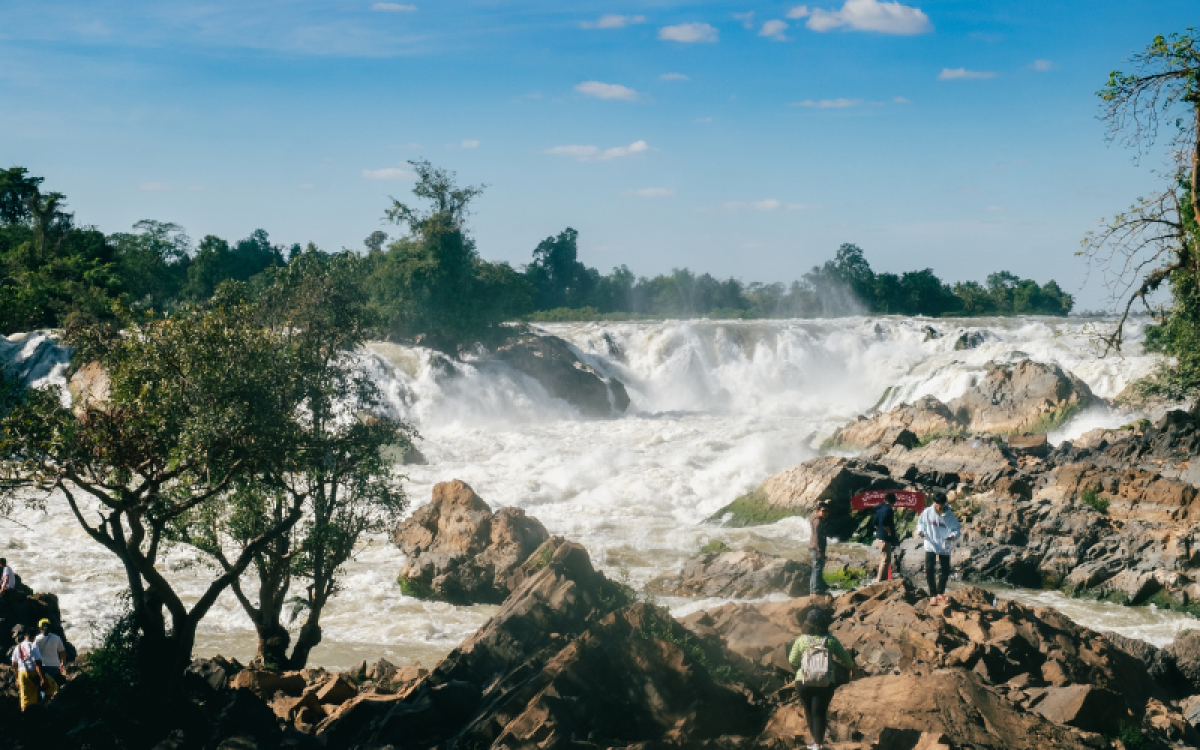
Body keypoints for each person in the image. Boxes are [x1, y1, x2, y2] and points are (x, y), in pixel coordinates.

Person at [788, 608, 858, 750]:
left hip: (803, 681)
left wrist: (798, 668)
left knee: (808, 710)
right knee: (819, 712)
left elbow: (792, 660)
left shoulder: (801, 640)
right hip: (825, 682)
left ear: (807, 623)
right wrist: (852, 668)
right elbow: (845, 657)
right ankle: (818, 744)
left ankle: (815, 741)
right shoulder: (830, 640)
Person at [916, 495, 961, 604]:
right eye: (937, 504)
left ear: (945, 503)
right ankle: (932, 594)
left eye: (941, 504)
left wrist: (952, 536)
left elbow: (957, 529)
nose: (939, 506)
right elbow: (921, 524)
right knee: (930, 568)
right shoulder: (927, 512)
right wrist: (920, 531)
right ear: (934, 502)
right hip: (931, 543)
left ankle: (940, 592)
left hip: (944, 544)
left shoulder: (950, 515)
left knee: (945, 570)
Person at [12, 624, 57, 711]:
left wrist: (17, 678)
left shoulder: (18, 647)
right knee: (53, 688)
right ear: (34, 637)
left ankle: (24, 717)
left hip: (22, 674)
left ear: (25, 636)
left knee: (25, 700)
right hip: (33, 672)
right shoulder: (33, 646)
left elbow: (14, 664)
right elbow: (37, 664)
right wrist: (43, 678)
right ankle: (47, 707)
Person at [873, 493, 899, 583]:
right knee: (885, 560)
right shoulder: (888, 509)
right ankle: (879, 580)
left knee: (884, 559)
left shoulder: (879, 509)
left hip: (879, 537)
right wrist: (888, 532)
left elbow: (875, 523)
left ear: (885, 500)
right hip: (885, 539)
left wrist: (880, 531)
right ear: (894, 502)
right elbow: (884, 522)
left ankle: (882, 579)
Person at [35, 618, 67, 688]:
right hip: (55, 665)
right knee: (55, 686)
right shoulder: (57, 638)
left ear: (40, 628)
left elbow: (33, 653)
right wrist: (62, 664)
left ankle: (45, 698)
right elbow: (63, 652)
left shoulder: (37, 639)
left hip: (43, 666)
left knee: (45, 687)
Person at [809, 502, 830, 595]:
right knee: (817, 568)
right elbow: (817, 536)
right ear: (818, 511)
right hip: (816, 548)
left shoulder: (818, 520)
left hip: (815, 547)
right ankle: (815, 590)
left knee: (817, 567)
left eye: (827, 511)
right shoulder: (818, 521)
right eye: (823, 511)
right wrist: (820, 551)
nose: (825, 513)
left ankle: (815, 588)